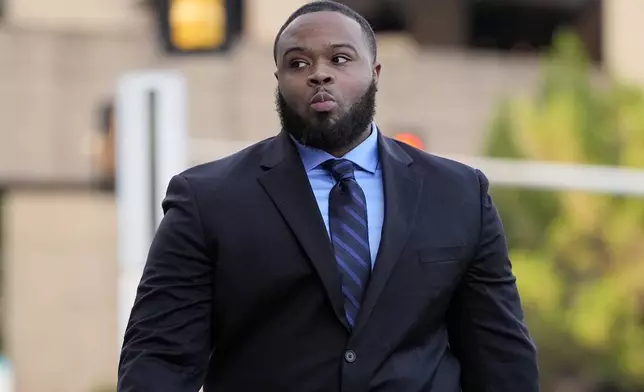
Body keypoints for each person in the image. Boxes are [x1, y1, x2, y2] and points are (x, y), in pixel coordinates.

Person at [117, 1, 540, 391]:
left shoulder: (459, 193)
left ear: (374, 73)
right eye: (298, 63)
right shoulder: (206, 200)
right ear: (279, 81)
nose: (319, 73)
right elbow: (159, 359)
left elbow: (501, 355)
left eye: (339, 58)